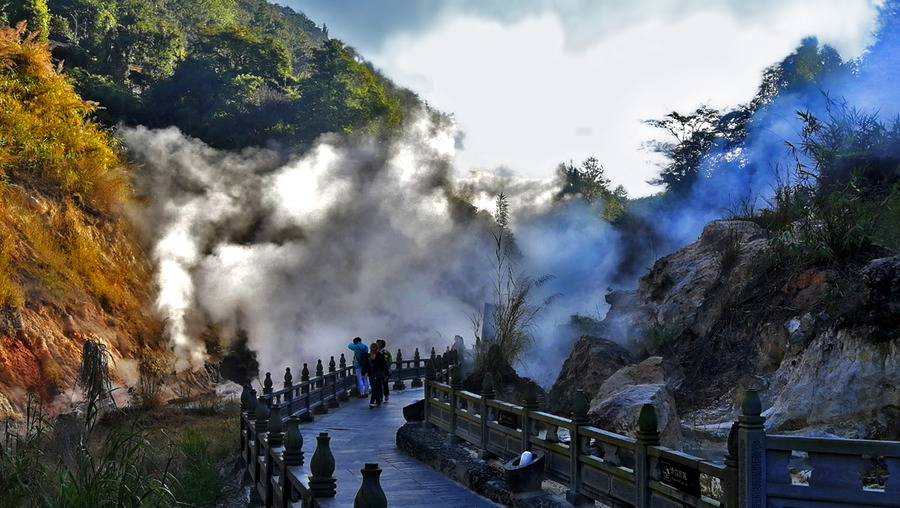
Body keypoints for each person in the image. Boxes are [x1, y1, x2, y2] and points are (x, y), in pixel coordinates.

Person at [367, 342, 389, 408]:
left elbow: (366, 365)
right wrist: (386, 372)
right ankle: (377, 401)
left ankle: (373, 401)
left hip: (372, 374)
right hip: (378, 373)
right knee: (377, 387)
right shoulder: (380, 355)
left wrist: (363, 372)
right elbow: (384, 364)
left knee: (375, 388)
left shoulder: (369, 355)